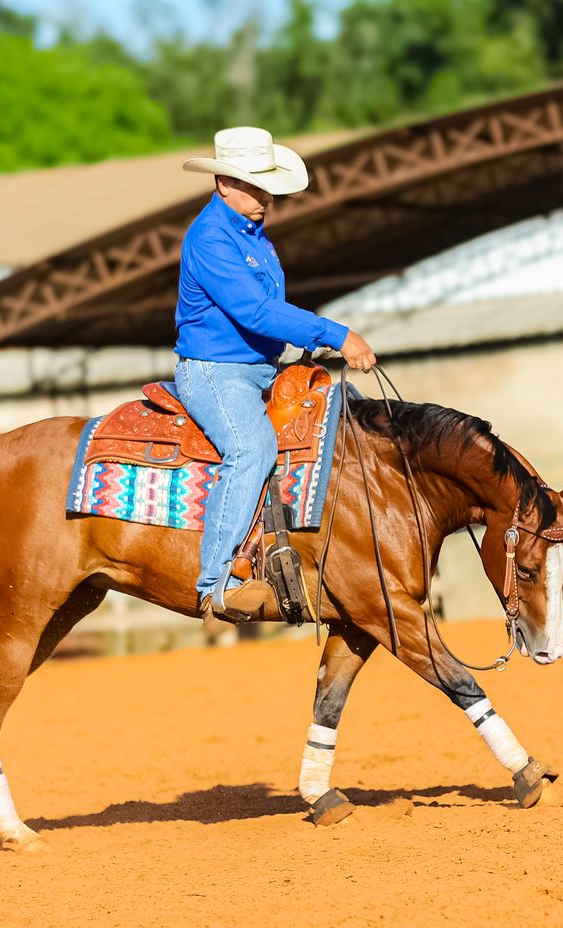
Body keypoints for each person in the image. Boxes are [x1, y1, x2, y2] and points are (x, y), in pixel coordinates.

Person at [175, 126, 377, 625]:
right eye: (254, 187)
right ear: (223, 183)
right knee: (252, 449)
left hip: (260, 369)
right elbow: (257, 312)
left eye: (268, 188)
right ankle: (216, 584)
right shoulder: (210, 237)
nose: (266, 199)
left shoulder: (253, 236)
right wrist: (335, 334)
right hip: (216, 372)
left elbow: (267, 312)